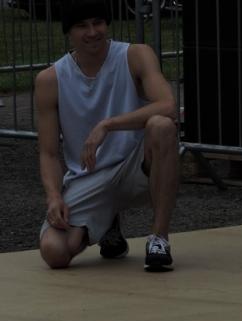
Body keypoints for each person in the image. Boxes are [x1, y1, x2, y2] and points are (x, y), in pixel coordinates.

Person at [37, 0, 179, 271]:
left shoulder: (136, 55)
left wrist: (107, 125)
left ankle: (159, 239)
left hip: (137, 165)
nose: (92, 32)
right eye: (82, 26)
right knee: (55, 252)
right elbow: (49, 153)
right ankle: (107, 224)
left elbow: (168, 105)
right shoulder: (50, 80)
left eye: (98, 23)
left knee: (162, 126)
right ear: (68, 31)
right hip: (90, 175)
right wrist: (54, 196)